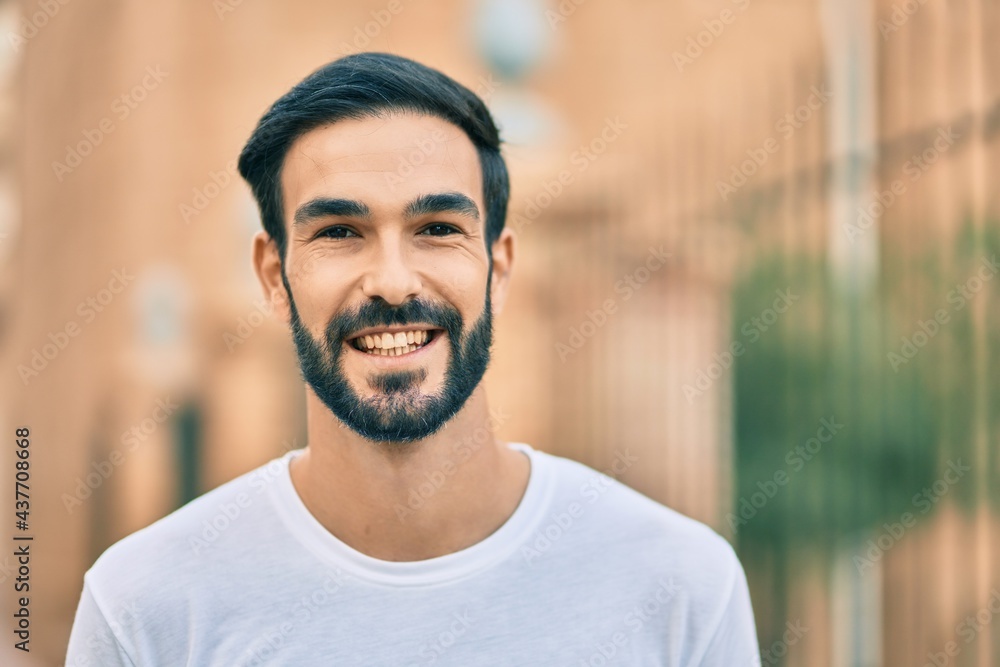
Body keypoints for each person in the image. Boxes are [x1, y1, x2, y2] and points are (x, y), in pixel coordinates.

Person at [65, 52, 759, 666]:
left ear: (500, 266)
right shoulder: (143, 608)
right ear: (275, 277)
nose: (393, 281)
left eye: (436, 229)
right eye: (340, 231)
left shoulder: (680, 586)